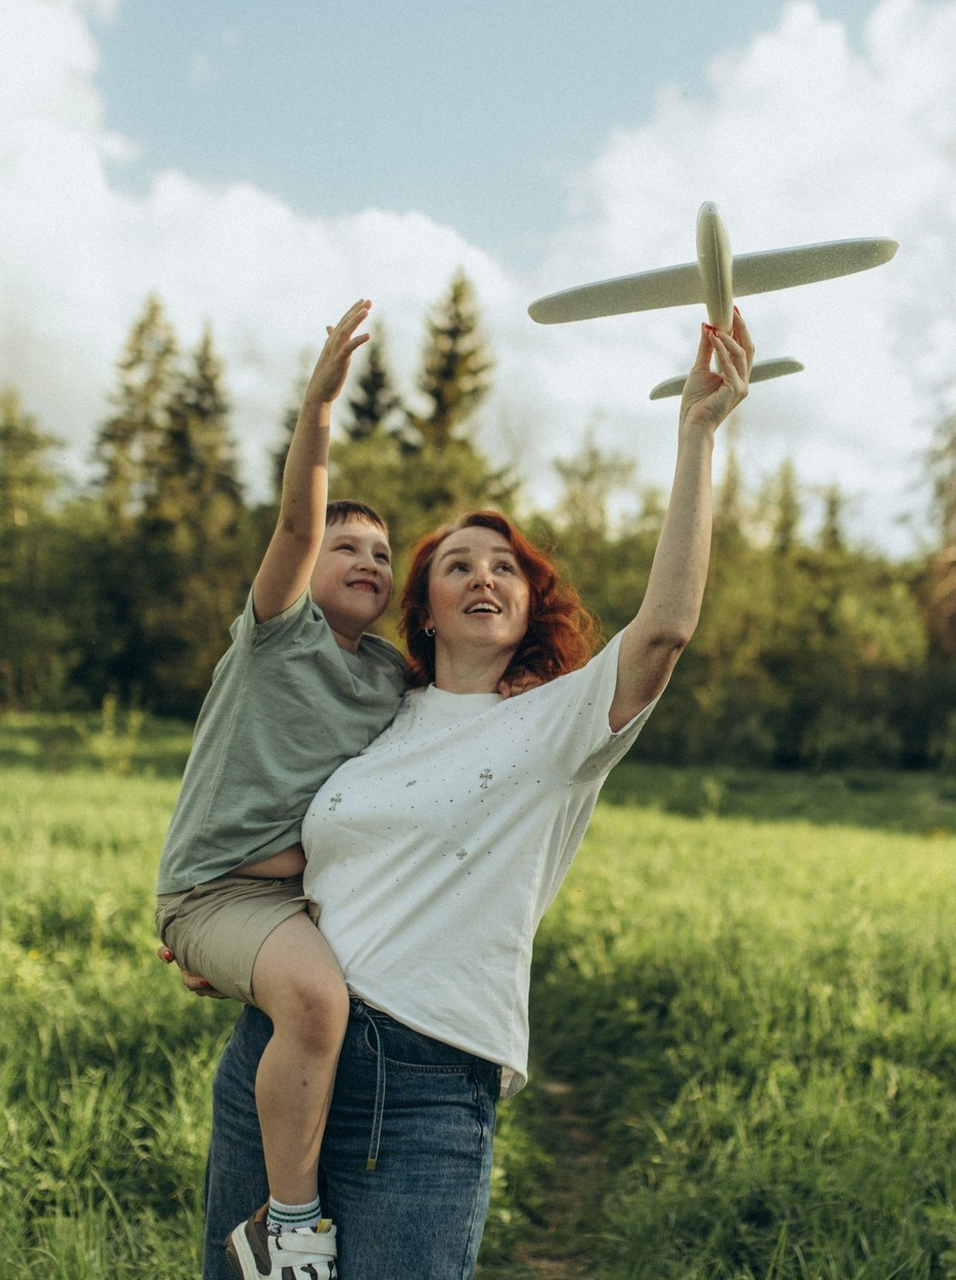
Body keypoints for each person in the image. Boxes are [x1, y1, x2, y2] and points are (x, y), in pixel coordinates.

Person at [188, 310, 755, 1279]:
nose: (483, 575)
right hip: (278, 1058)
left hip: (426, 1090)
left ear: (529, 602)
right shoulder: (373, 715)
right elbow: (284, 839)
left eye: (504, 567)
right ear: (425, 604)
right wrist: (224, 939)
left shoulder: (561, 724)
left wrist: (697, 436)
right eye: (458, 563)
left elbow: (662, 629)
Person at [155, 299, 408, 1280]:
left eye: (383, 555)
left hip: (295, 895)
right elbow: (302, 513)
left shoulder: (388, 676)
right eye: (350, 547)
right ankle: (287, 1226)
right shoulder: (276, 632)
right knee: (313, 992)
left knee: (318, 986)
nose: (368, 561)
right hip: (216, 892)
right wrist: (315, 412)